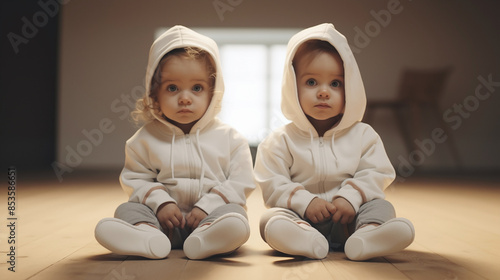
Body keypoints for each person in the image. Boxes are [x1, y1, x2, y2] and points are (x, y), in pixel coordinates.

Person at [254, 23, 415, 261]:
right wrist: (305, 202)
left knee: (381, 207)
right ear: (292, 87)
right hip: (303, 218)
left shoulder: (364, 135)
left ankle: (367, 236)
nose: (323, 92)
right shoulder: (279, 140)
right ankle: (306, 240)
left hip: (351, 218)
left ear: (350, 87)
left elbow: (376, 172)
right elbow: (272, 182)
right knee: (270, 220)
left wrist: (350, 198)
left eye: (335, 83)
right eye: (311, 82)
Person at [95, 25, 255, 260]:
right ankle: (149, 236)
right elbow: (136, 180)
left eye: (197, 88)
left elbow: (241, 182)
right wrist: (161, 204)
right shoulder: (144, 140)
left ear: (213, 92)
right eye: (172, 88)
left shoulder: (231, 139)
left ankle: (206, 240)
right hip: (163, 222)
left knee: (235, 215)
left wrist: (208, 206)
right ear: (154, 93)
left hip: (210, 218)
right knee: (127, 209)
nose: (185, 98)